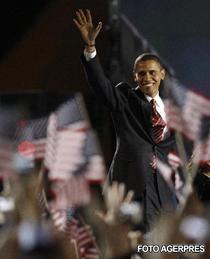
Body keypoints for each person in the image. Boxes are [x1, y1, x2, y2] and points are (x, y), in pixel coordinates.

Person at [73, 9, 178, 232]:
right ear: (134, 76)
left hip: (165, 191)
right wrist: (91, 50)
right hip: (131, 185)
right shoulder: (124, 98)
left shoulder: (173, 108)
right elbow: (101, 85)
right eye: (141, 74)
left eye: (151, 73)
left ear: (161, 74)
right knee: (133, 245)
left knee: (166, 246)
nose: (146, 78)